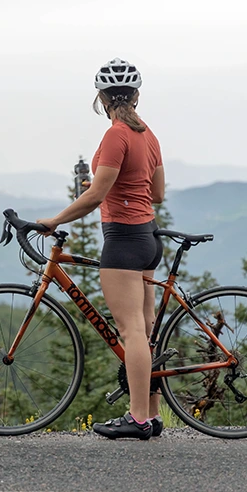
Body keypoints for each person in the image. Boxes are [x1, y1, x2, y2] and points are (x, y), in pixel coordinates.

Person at [36, 57, 165, 440]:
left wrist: (54, 221)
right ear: (136, 96)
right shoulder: (149, 136)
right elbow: (156, 193)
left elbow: (95, 196)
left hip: (124, 241)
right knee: (146, 326)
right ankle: (153, 416)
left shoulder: (116, 135)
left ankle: (138, 419)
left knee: (131, 331)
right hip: (148, 237)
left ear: (102, 98)